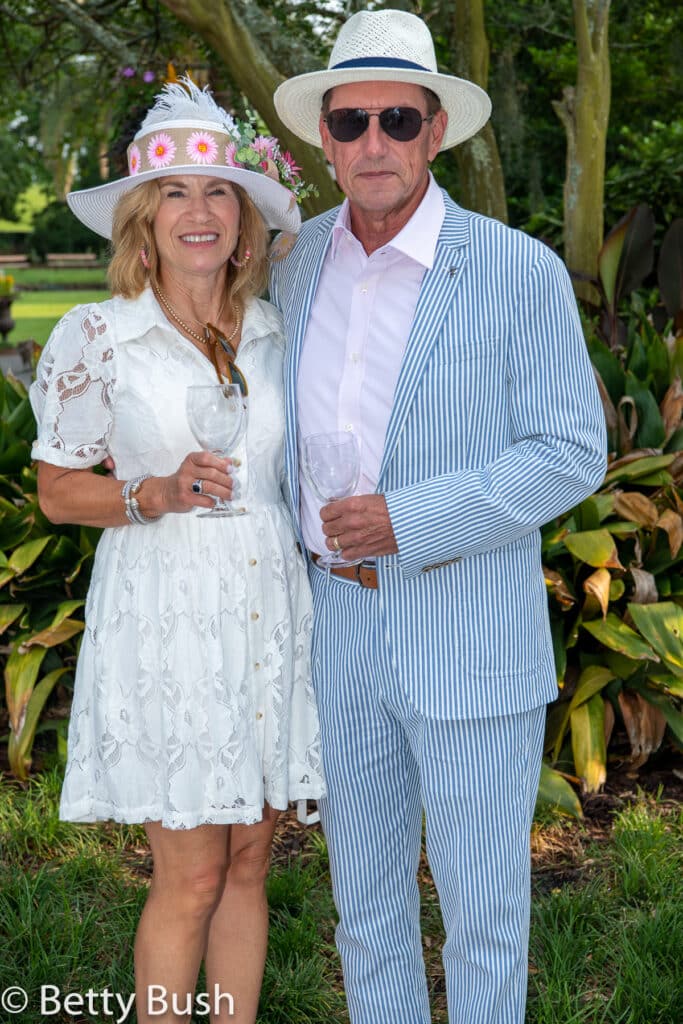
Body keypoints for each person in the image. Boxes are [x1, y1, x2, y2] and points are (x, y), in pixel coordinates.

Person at [270, 9, 607, 1024]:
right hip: (335, 627)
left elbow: (568, 450)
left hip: (467, 628)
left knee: (483, 918)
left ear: (436, 131)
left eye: (398, 120)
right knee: (364, 913)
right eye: (351, 121)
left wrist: (406, 520)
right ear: (323, 138)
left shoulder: (515, 269)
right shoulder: (291, 261)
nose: (373, 142)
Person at [30, 78, 324, 1024]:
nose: (198, 211)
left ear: (242, 220)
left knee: (248, 862)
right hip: (168, 616)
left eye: (218, 192)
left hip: (266, 613)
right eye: (174, 193)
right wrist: (149, 493)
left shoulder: (278, 331)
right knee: (191, 874)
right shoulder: (100, 335)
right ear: (144, 222)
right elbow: (55, 489)